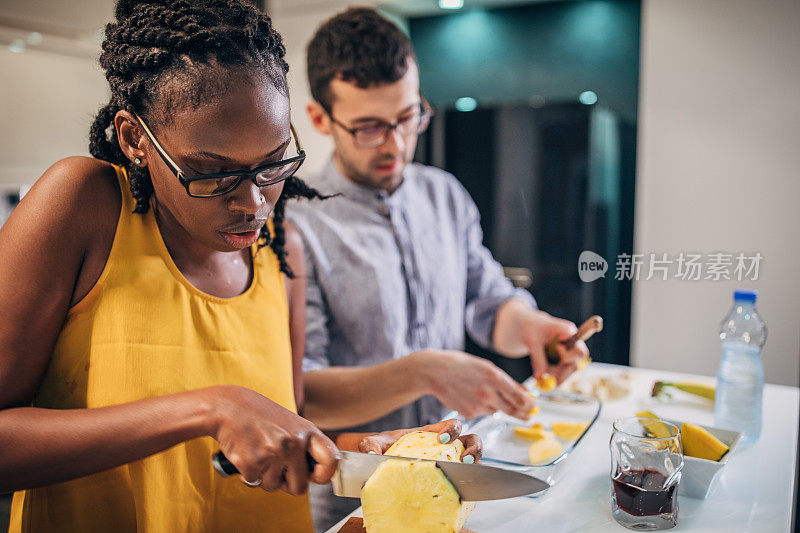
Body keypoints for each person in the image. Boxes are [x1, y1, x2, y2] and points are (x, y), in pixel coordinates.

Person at [0, 2, 479, 531]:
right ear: (136, 138)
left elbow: (285, 430)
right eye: (213, 173)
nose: (254, 203)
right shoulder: (83, 205)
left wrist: (370, 459)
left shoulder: (280, 247)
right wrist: (209, 408)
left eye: (274, 162)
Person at [289, 7, 591, 434]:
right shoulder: (296, 223)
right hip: (356, 489)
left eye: (408, 118)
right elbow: (304, 395)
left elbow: (486, 304)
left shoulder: (444, 194)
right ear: (321, 119)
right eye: (369, 128)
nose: (396, 144)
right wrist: (423, 373)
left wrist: (531, 328)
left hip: (456, 461)